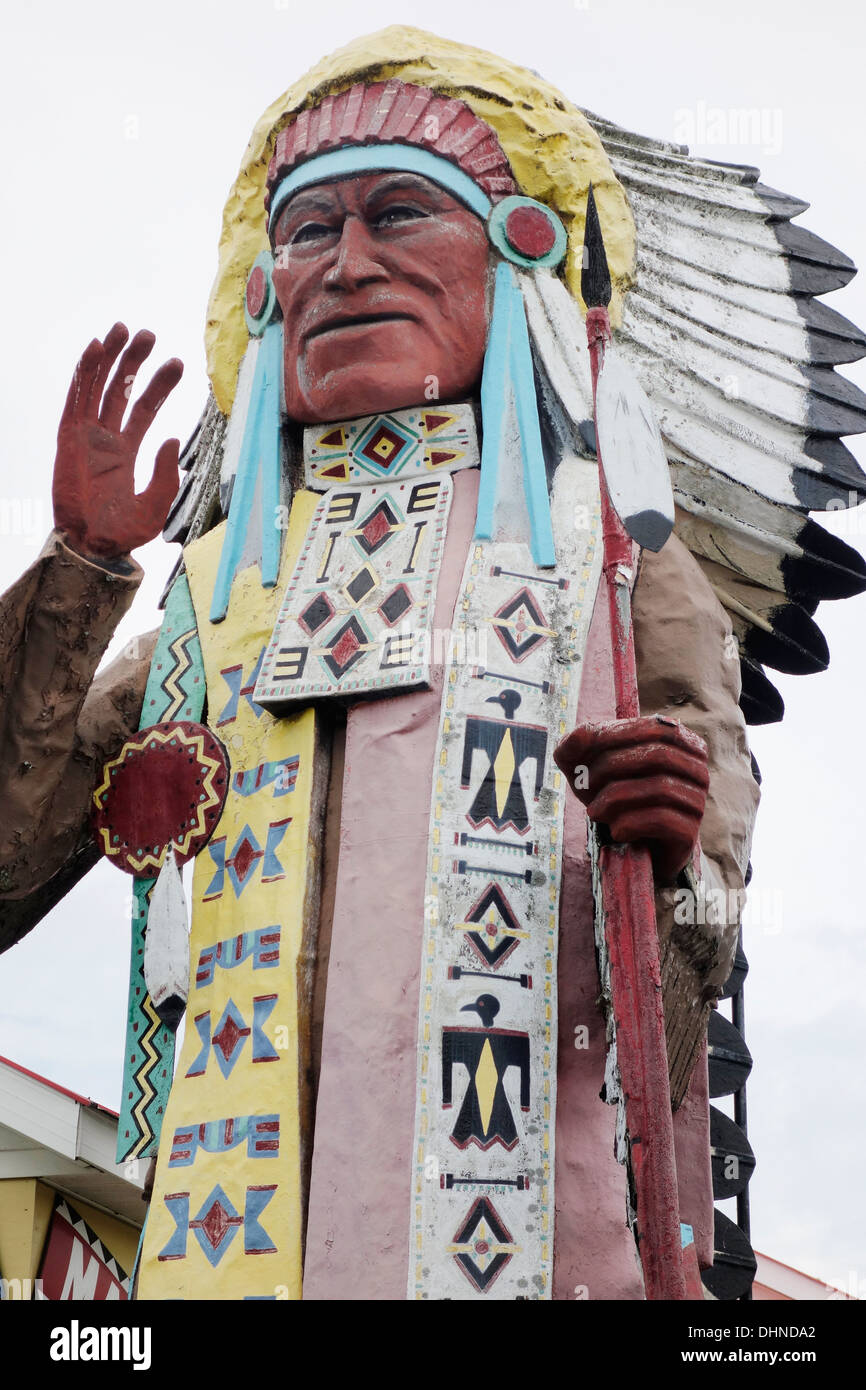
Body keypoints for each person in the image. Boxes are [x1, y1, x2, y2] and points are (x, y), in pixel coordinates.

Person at [6, 25, 857, 1299]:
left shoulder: (610, 551)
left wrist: (676, 842)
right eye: (305, 232)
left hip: (535, 1234)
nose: (345, 266)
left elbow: (706, 915)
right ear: (261, 288)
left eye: (400, 214)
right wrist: (76, 570)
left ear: (518, 251)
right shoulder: (219, 593)